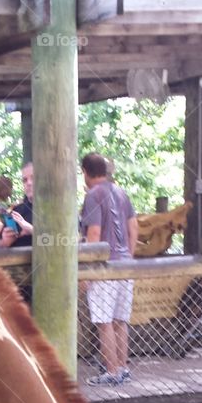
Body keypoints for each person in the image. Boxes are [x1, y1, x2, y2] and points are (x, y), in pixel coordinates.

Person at [80, 152, 138, 386]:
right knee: (120, 320)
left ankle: (111, 371)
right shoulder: (121, 192)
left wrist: (89, 272)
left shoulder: (93, 195)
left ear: (85, 172)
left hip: (104, 266)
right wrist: (129, 256)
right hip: (125, 265)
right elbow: (134, 228)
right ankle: (123, 367)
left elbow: (93, 234)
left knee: (104, 322)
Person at [0, 161, 34, 249]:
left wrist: (31, 229)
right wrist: (5, 241)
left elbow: (62, 240)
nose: (29, 183)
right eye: (25, 180)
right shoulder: (16, 211)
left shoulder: (57, 209)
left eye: (33, 178)